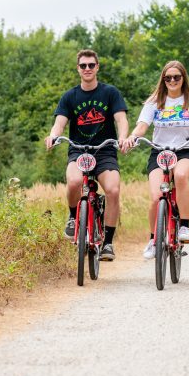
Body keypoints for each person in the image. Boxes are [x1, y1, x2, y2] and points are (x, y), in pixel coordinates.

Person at [119, 60, 189, 259]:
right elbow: (142, 126)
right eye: (168, 77)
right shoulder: (154, 101)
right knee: (156, 197)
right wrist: (133, 137)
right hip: (159, 152)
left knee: (181, 175)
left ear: (183, 78)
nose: (172, 81)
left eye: (177, 77)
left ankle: (184, 226)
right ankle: (153, 239)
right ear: (163, 80)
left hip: (184, 150)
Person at [45, 49, 129, 261]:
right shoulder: (70, 96)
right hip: (79, 150)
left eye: (91, 65)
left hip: (105, 151)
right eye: (83, 65)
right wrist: (53, 136)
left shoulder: (110, 93)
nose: (87, 69)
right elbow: (59, 123)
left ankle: (108, 242)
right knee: (73, 182)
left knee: (113, 190)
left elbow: (121, 119)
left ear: (97, 67)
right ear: (78, 69)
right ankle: (73, 218)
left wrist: (123, 138)